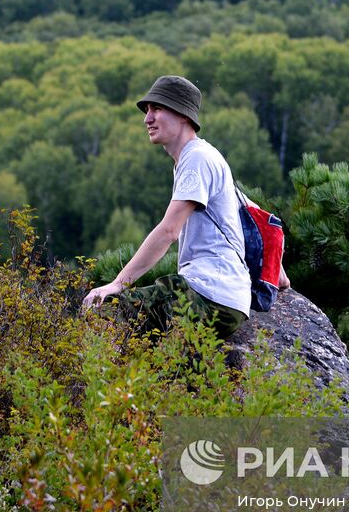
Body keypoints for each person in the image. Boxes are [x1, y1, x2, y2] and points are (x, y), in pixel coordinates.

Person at [82, 75, 253, 338]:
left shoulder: (197, 159)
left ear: (184, 115)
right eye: (147, 110)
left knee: (110, 312)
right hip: (224, 297)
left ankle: (106, 378)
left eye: (157, 109)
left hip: (210, 293)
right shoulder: (202, 157)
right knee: (149, 350)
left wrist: (118, 284)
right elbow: (252, 213)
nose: (147, 119)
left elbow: (168, 231)